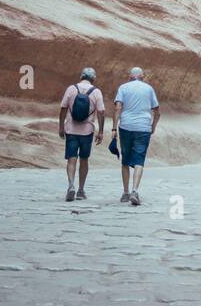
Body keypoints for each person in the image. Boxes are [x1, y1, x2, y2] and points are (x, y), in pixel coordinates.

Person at [112, 66, 159, 207]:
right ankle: (134, 190)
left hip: (126, 126)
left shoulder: (123, 88)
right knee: (139, 160)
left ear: (130, 76)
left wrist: (114, 127)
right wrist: (153, 126)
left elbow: (118, 108)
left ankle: (125, 192)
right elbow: (157, 111)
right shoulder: (149, 89)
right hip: (143, 127)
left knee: (125, 159)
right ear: (142, 76)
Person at [58, 66, 105, 201]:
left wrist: (61, 127)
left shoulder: (71, 89)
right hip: (87, 131)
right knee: (84, 160)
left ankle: (71, 185)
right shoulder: (96, 92)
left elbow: (63, 108)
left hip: (71, 129)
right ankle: (81, 190)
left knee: (71, 159)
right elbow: (101, 112)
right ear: (93, 79)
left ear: (81, 77)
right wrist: (101, 131)